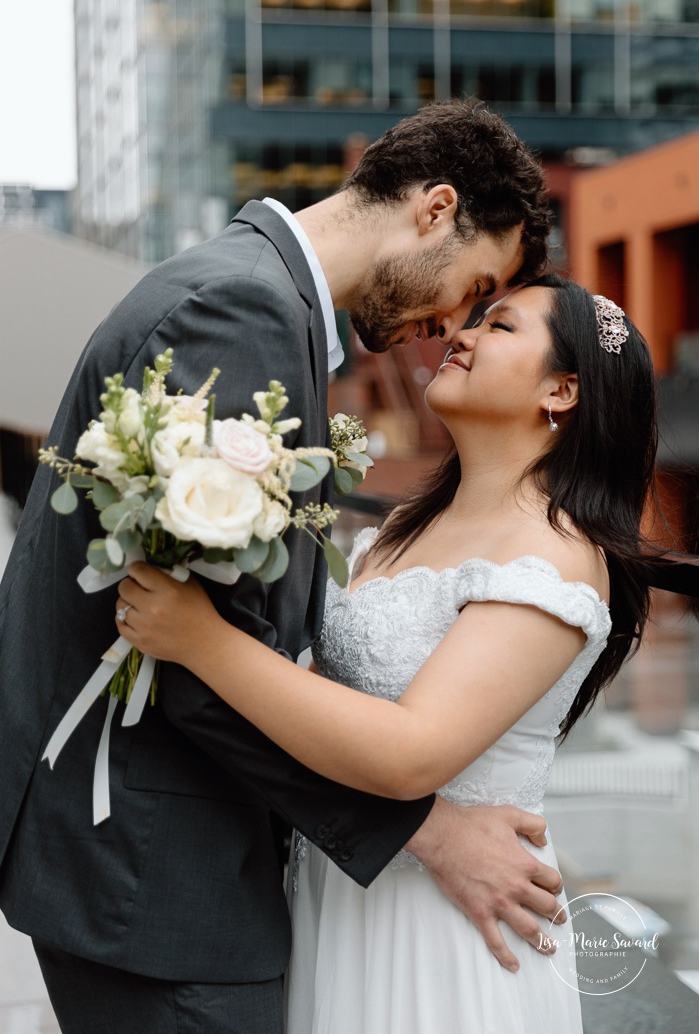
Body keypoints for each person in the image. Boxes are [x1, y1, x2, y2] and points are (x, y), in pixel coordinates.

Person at [0, 100, 562, 1034]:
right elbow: (196, 657)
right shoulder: (246, 310)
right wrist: (426, 833)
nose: (451, 323)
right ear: (434, 209)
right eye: (477, 285)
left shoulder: (254, 292)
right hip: (159, 881)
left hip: (145, 865)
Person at [116, 274, 659, 1033]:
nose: (461, 335)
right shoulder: (402, 525)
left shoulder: (554, 554)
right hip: (333, 890)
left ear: (561, 392)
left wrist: (203, 641)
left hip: (445, 929)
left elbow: (410, 753)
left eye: (498, 327)